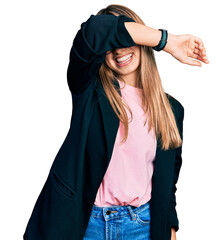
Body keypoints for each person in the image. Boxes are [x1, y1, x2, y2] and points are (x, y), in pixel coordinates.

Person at [23, 4, 209, 240]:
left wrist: (170, 231)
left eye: (126, 39)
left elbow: (167, 184)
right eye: (111, 42)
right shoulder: (88, 90)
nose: (118, 50)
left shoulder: (171, 110)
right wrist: (166, 41)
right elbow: (93, 31)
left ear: (142, 43)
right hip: (86, 225)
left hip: (143, 227)